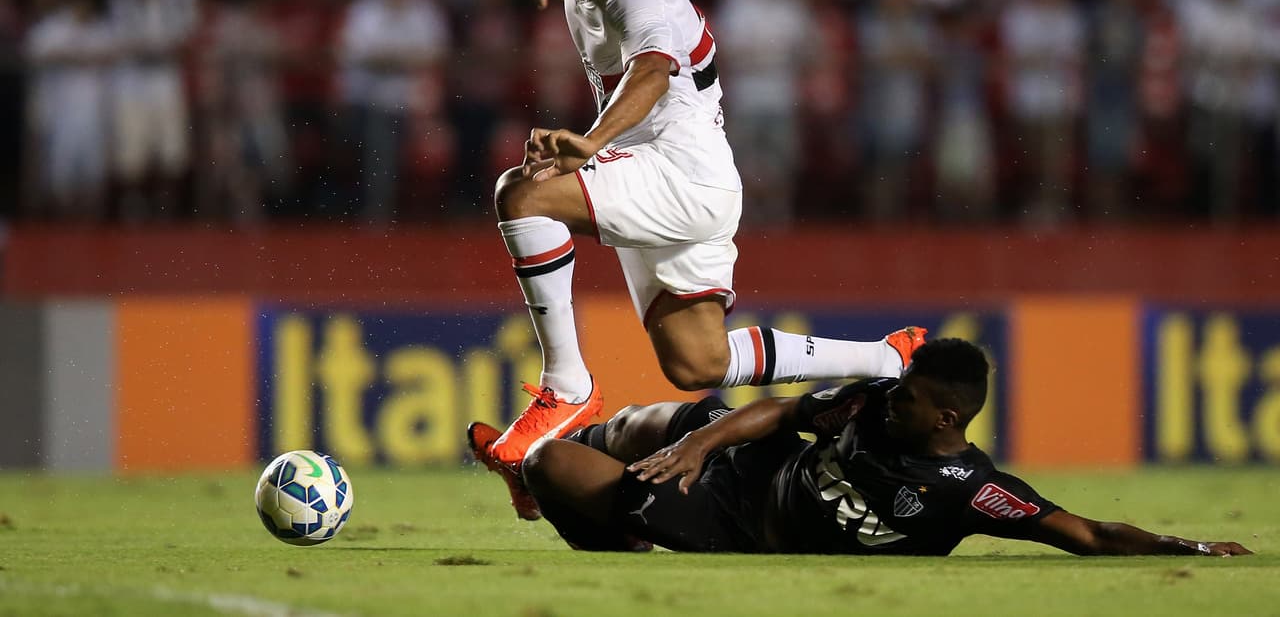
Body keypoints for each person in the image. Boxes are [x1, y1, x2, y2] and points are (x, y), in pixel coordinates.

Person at [470, 0, 928, 519]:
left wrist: (593, 143)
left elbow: (654, 69)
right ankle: (887, 356)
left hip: (677, 178)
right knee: (697, 360)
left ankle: (565, 389)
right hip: (691, 175)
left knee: (521, 194)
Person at [519, 338, 1253, 557]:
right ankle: (593, 444)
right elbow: (783, 410)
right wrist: (705, 441)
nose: (890, 397)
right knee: (671, 419)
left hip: (735, 526)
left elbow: (1088, 532)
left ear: (946, 417)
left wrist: (1187, 548)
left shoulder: (972, 487)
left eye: (909, 396)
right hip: (747, 468)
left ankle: (617, 533)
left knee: (550, 464)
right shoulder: (874, 401)